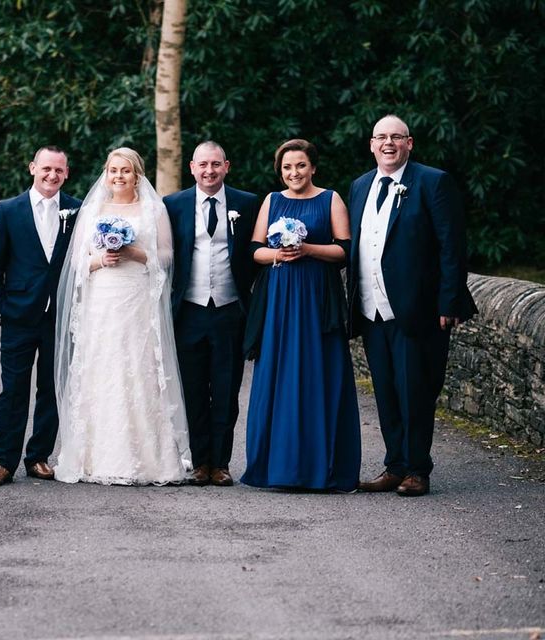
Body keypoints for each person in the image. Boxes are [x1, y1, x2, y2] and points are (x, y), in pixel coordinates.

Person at [348, 115, 476, 497]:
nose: (388, 143)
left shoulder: (432, 181)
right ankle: (395, 465)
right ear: (372, 145)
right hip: (372, 311)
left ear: (410, 143)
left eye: (396, 137)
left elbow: (452, 247)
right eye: (381, 137)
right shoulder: (359, 187)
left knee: (416, 391)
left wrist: (449, 300)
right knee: (386, 391)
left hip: (417, 309)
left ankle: (418, 469)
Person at [54, 147, 189, 485]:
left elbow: (168, 255)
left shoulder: (152, 209)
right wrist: (101, 261)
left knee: (137, 367)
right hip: (102, 299)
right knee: (102, 368)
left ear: (137, 175)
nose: (118, 177)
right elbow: (76, 261)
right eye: (113, 170)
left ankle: (146, 458)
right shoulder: (94, 209)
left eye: (125, 171)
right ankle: (95, 456)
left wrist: (133, 252)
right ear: (106, 173)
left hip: (136, 299)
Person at [240, 139, 361, 491]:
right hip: (280, 297)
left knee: (319, 373)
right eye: (287, 167)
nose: (294, 173)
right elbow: (254, 251)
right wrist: (277, 254)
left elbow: (344, 251)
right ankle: (276, 466)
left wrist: (306, 248)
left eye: (300, 166)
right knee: (279, 374)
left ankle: (323, 467)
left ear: (313, 167)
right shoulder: (272, 201)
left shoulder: (330, 199)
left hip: (317, 297)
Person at [0, 146, 83, 486]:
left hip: (61, 315)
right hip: (19, 316)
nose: (52, 175)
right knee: (13, 390)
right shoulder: (9, 210)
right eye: (46, 169)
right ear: (32, 168)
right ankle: (3, 461)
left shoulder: (78, 210)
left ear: (66, 173)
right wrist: (1, 310)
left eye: (58, 170)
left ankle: (38, 456)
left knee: (52, 390)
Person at [164, 141, 259, 487]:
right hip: (188, 311)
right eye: (203, 164)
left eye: (216, 164)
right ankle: (199, 462)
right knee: (192, 390)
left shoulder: (247, 204)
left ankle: (221, 463)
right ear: (192, 167)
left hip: (230, 311)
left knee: (226, 390)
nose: (209, 171)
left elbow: (254, 254)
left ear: (227, 166)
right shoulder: (172, 205)